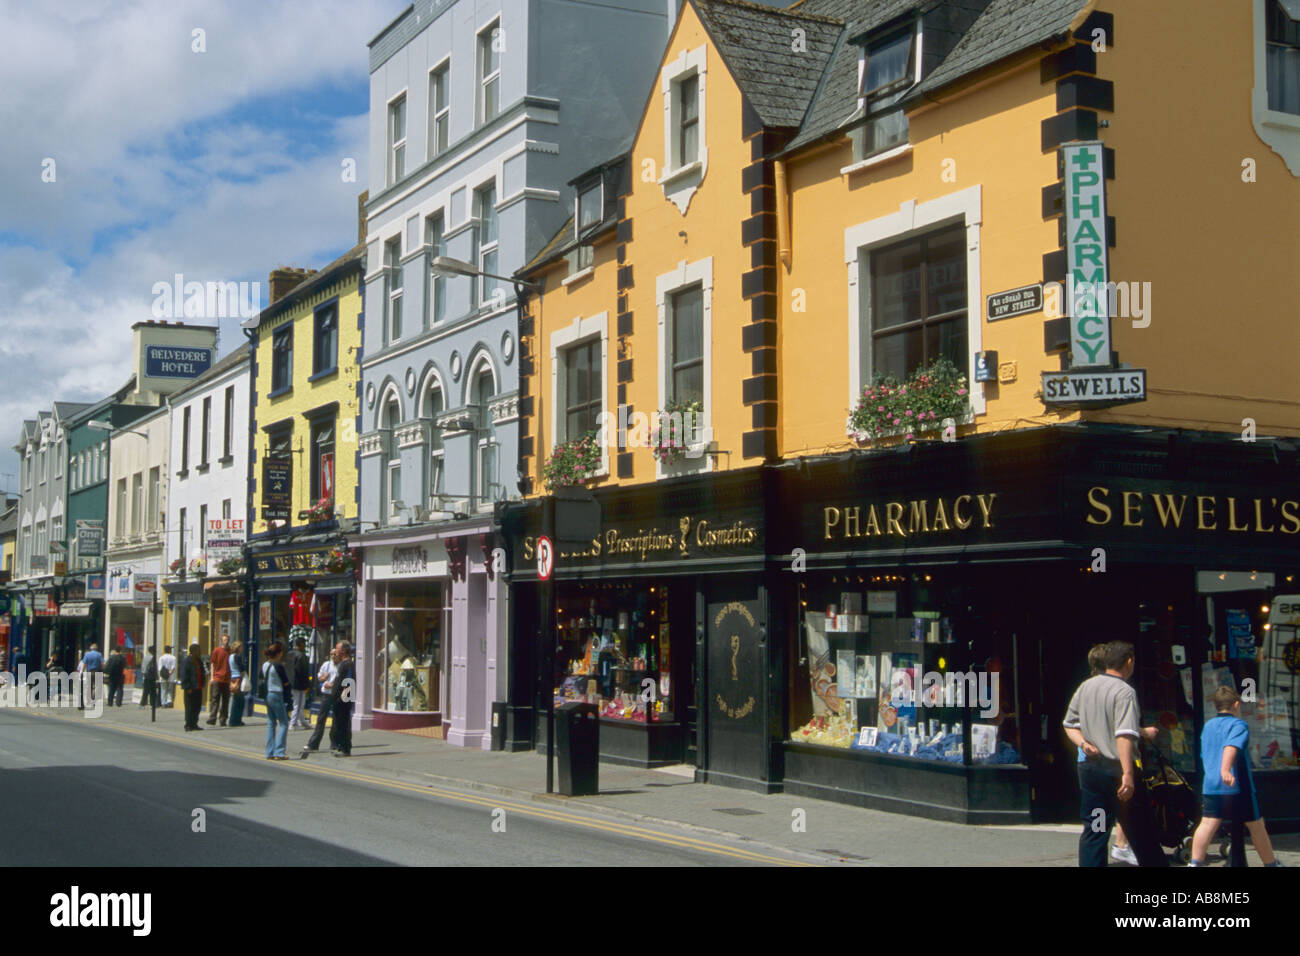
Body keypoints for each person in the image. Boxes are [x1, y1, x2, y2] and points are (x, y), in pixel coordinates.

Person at [1062, 640, 1168, 867]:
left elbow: (1069, 724)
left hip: (1091, 771)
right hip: (1117, 771)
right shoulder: (1124, 692)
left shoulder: (1086, 687)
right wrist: (1128, 773)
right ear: (1128, 662)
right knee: (1140, 830)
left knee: (1096, 828)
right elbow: (1124, 734)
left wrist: (1082, 743)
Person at [1189, 686, 1283, 867]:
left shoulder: (1208, 726)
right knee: (1256, 826)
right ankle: (1271, 864)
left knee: (1207, 823)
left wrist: (1217, 772)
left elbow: (1204, 755)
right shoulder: (1239, 725)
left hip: (1211, 784)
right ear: (1236, 704)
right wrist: (1225, 770)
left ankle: (1194, 864)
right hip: (1238, 786)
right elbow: (1231, 747)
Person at [300, 647, 339, 758]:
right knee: (321, 719)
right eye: (331, 654)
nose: (333, 656)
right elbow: (319, 678)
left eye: (335, 654)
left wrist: (333, 684)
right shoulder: (326, 665)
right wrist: (323, 678)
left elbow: (342, 679)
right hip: (326, 694)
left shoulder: (341, 665)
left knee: (336, 720)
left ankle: (334, 744)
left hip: (336, 694)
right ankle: (313, 744)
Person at [261, 642, 291, 760]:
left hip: (267, 694)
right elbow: (286, 682)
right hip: (277, 694)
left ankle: (269, 752)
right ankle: (280, 751)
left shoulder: (265, 665)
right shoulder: (278, 666)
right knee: (284, 723)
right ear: (278, 653)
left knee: (271, 723)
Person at [329, 641, 355, 758]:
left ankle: (345, 748)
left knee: (344, 724)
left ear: (343, 651)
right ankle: (339, 745)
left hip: (344, 699)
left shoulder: (348, 664)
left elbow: (349, 682)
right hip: (339, 699)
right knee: (339, 723)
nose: (336, 651)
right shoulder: (342, 664)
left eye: (337, 648)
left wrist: (343, 698)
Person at [207, 635, 232, 726]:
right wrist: (212, 677)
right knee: (215, 699)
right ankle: (212, 718)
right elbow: (212, 664)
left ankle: (223, 719)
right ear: (222, 641)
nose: (226, 641)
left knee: (225, 700)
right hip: (217, 678)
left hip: (227, 679)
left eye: (228, 640)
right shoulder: (217, 650)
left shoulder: (230, 651)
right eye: (225, 640)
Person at [287, 636, 311, 729]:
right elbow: (303, 671)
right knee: (299, 703)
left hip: (291, 682)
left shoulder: (289, 654)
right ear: (301, 645)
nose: (305, 646)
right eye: (304, 644)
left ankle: (302, 721)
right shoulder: (301, 656)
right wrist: (307, 685)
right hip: (299, 684)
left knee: (297, 702)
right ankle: (293, 723)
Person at [180, 643, 205, 731]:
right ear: (193, 651)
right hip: (190, 688)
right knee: (189, 707)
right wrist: (187, 687)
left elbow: (202, 672)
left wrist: (203, 684)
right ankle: (188, 725)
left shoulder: (199, 661)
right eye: (198, 650)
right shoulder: (187, 661)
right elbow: (184, 675)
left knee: (197, 707)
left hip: (198, 687)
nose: (200, 652)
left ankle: (194, 724)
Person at [228, 640, 247, 727]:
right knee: (240, 701)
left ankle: (233, 719)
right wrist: (245, 676)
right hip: (238, 678)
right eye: (241, 647)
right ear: (237, 648)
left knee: (236, 699)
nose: (242, 648)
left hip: (232, 678)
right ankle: (236, 720)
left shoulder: (230, 656)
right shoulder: (237, 657)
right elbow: (241, 668)